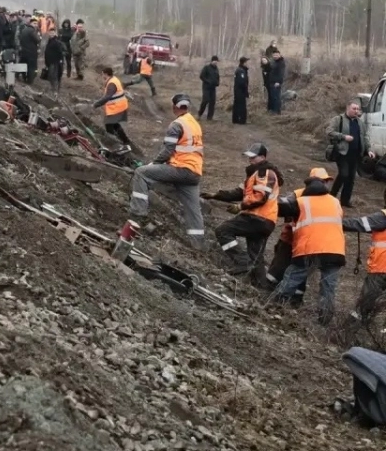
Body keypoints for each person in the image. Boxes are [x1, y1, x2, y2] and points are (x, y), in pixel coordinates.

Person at [130, 93, 206, 248]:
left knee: (141, 173)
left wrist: (154, 164)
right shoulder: (194, 123)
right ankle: (198, 245)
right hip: (194, 173)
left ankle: (137, 216)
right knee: (193, 209)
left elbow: (167, 151)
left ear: (174, 107)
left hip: (180, 168)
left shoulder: (176, 125)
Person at [271, 168, 346, 324]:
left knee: (291, 278)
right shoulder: (335, 202)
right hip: (335, 251)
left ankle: (274, 306)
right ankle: (324, 321)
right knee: (328, 287)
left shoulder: (300, 201)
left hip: (310, 250)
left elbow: (278, 208)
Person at [201, 142, 281, 274]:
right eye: (249, 157)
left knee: (222, 231)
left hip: (258, 218)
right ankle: (259, 286)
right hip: (265, 221)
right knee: (256, 258)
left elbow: (261, 197)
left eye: (253, 157)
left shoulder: (264, 172)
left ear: (262, 157)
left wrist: (240, 206)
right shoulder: (254, 174)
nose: (250, 160)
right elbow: (239, 192)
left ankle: (242, 261)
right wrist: (216, 195)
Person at [340, 187, 386, 330]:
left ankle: (347, 331)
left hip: (381, 268)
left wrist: (333, 222)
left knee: (366, 301)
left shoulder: (383, 217)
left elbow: (359, 224)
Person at [327, 99, 376, 206]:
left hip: (356, 154)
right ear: (348, 108)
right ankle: (331, 196)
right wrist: (344, 137)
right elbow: (329, 132)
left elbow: (365, 137)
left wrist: (369, 150)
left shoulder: (360, 122)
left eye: (358, 109)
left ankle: (345, 201)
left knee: (351, 179)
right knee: (343, 174)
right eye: (354, 108)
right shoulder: (338, 119)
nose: (356, 111)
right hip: (342, 153)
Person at [92, 66, 131, 147]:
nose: (102, 76)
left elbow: (107, 97)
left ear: (106, 74)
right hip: (119, 105)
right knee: (114, 124)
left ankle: (113, 143)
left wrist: (96, 104)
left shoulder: (112, 83)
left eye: (102, 74)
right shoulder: (113, 79)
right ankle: (125, 141)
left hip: (117, 106)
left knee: (109, 125)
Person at [18, 16, 41, 83]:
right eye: (34, 23)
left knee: (22, 65)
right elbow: (38, 40)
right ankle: (29, 81)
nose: (36, 25)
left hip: (24, 51)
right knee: (32, 68)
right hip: (31, 52)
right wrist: (39, 36)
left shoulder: (24, 29)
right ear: (31, 23)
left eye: (36, 24)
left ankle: (21, 77)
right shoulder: (32, 31)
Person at [198, 56, 219, 120]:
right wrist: (207, 81)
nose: (216, 62)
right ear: (212, 61)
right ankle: (199, 113)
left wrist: (218, 82)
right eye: (215, 61)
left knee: (212, 102)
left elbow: (218, 77)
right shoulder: (206, 67)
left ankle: (210, 117)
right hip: (206, 87)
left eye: (217, 61)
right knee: (205, 100)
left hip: (213, 87)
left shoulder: (216, 69)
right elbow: (201, 76)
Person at [232, 57, 250, 125]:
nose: (248, 64)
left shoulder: (241, 70)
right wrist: (246, 91)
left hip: (238, 90)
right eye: (247, 62)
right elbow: (242, 82)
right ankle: (241, 120)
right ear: (244, 63)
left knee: (237, 105)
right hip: (240, 91)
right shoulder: (241, 71)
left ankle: (236, 120)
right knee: (241, 105)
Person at [267, 49, 285, 113]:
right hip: (271, 82)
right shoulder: (274, 62)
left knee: (276, 97)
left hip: (276, 82)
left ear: (279, 55)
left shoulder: (281, 62)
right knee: (272, 96)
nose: (275, 56)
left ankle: (276, 111)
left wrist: (278, 82)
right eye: (274, 55)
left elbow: (281, 73)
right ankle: (273, 110)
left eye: (277, 55)